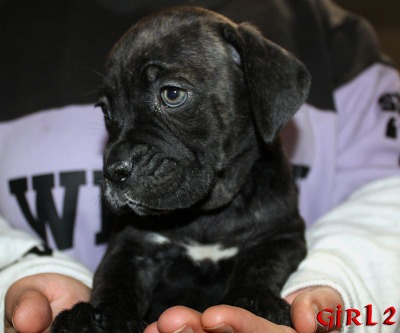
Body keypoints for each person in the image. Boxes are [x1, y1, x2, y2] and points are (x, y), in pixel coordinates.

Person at [1, 0, 399, 332]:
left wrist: (333, 283)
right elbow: (129, 259)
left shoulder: (328, 34)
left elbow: (382, 200)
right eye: (111, 112)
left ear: (258, 86)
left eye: (172, 94)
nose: (117, 159)